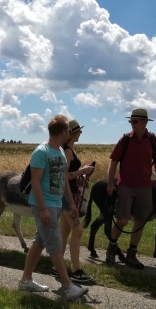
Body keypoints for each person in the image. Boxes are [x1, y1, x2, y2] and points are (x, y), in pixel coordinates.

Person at [19, 115, 89, 300]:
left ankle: (25, 280)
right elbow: (35, 183)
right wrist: (42, 209)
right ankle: (68, 286)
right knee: (55, 245)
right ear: (64, 132)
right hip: (45, 205)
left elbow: (63, 180)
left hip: (57, 205)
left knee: (40, 241)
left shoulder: (59, 152)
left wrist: (72, 204)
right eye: (68, 131)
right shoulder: (42, 152)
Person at [105, 108, 156, 269]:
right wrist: (111, 183)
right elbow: (113, 162)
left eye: (135, 122)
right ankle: (111, 248)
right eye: (131, 121)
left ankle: (131, 254)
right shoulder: (125, 140)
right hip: (125, 185)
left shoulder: (153, 140)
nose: (132, 125)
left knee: (140, 221)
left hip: (145, 187)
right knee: (122, 219)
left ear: (145, 122)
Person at [51, 119, 95, 283]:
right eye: (79, 131)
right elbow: (66, 175)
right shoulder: (68, 152)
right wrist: (82, 171)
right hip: (66, 197)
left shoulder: (67, 150)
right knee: (78, 231)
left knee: (64, 232)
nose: (80, 134)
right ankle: (76, 271)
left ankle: (57, 268)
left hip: (67, 195)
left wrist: (82, 171)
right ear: (73, 133)